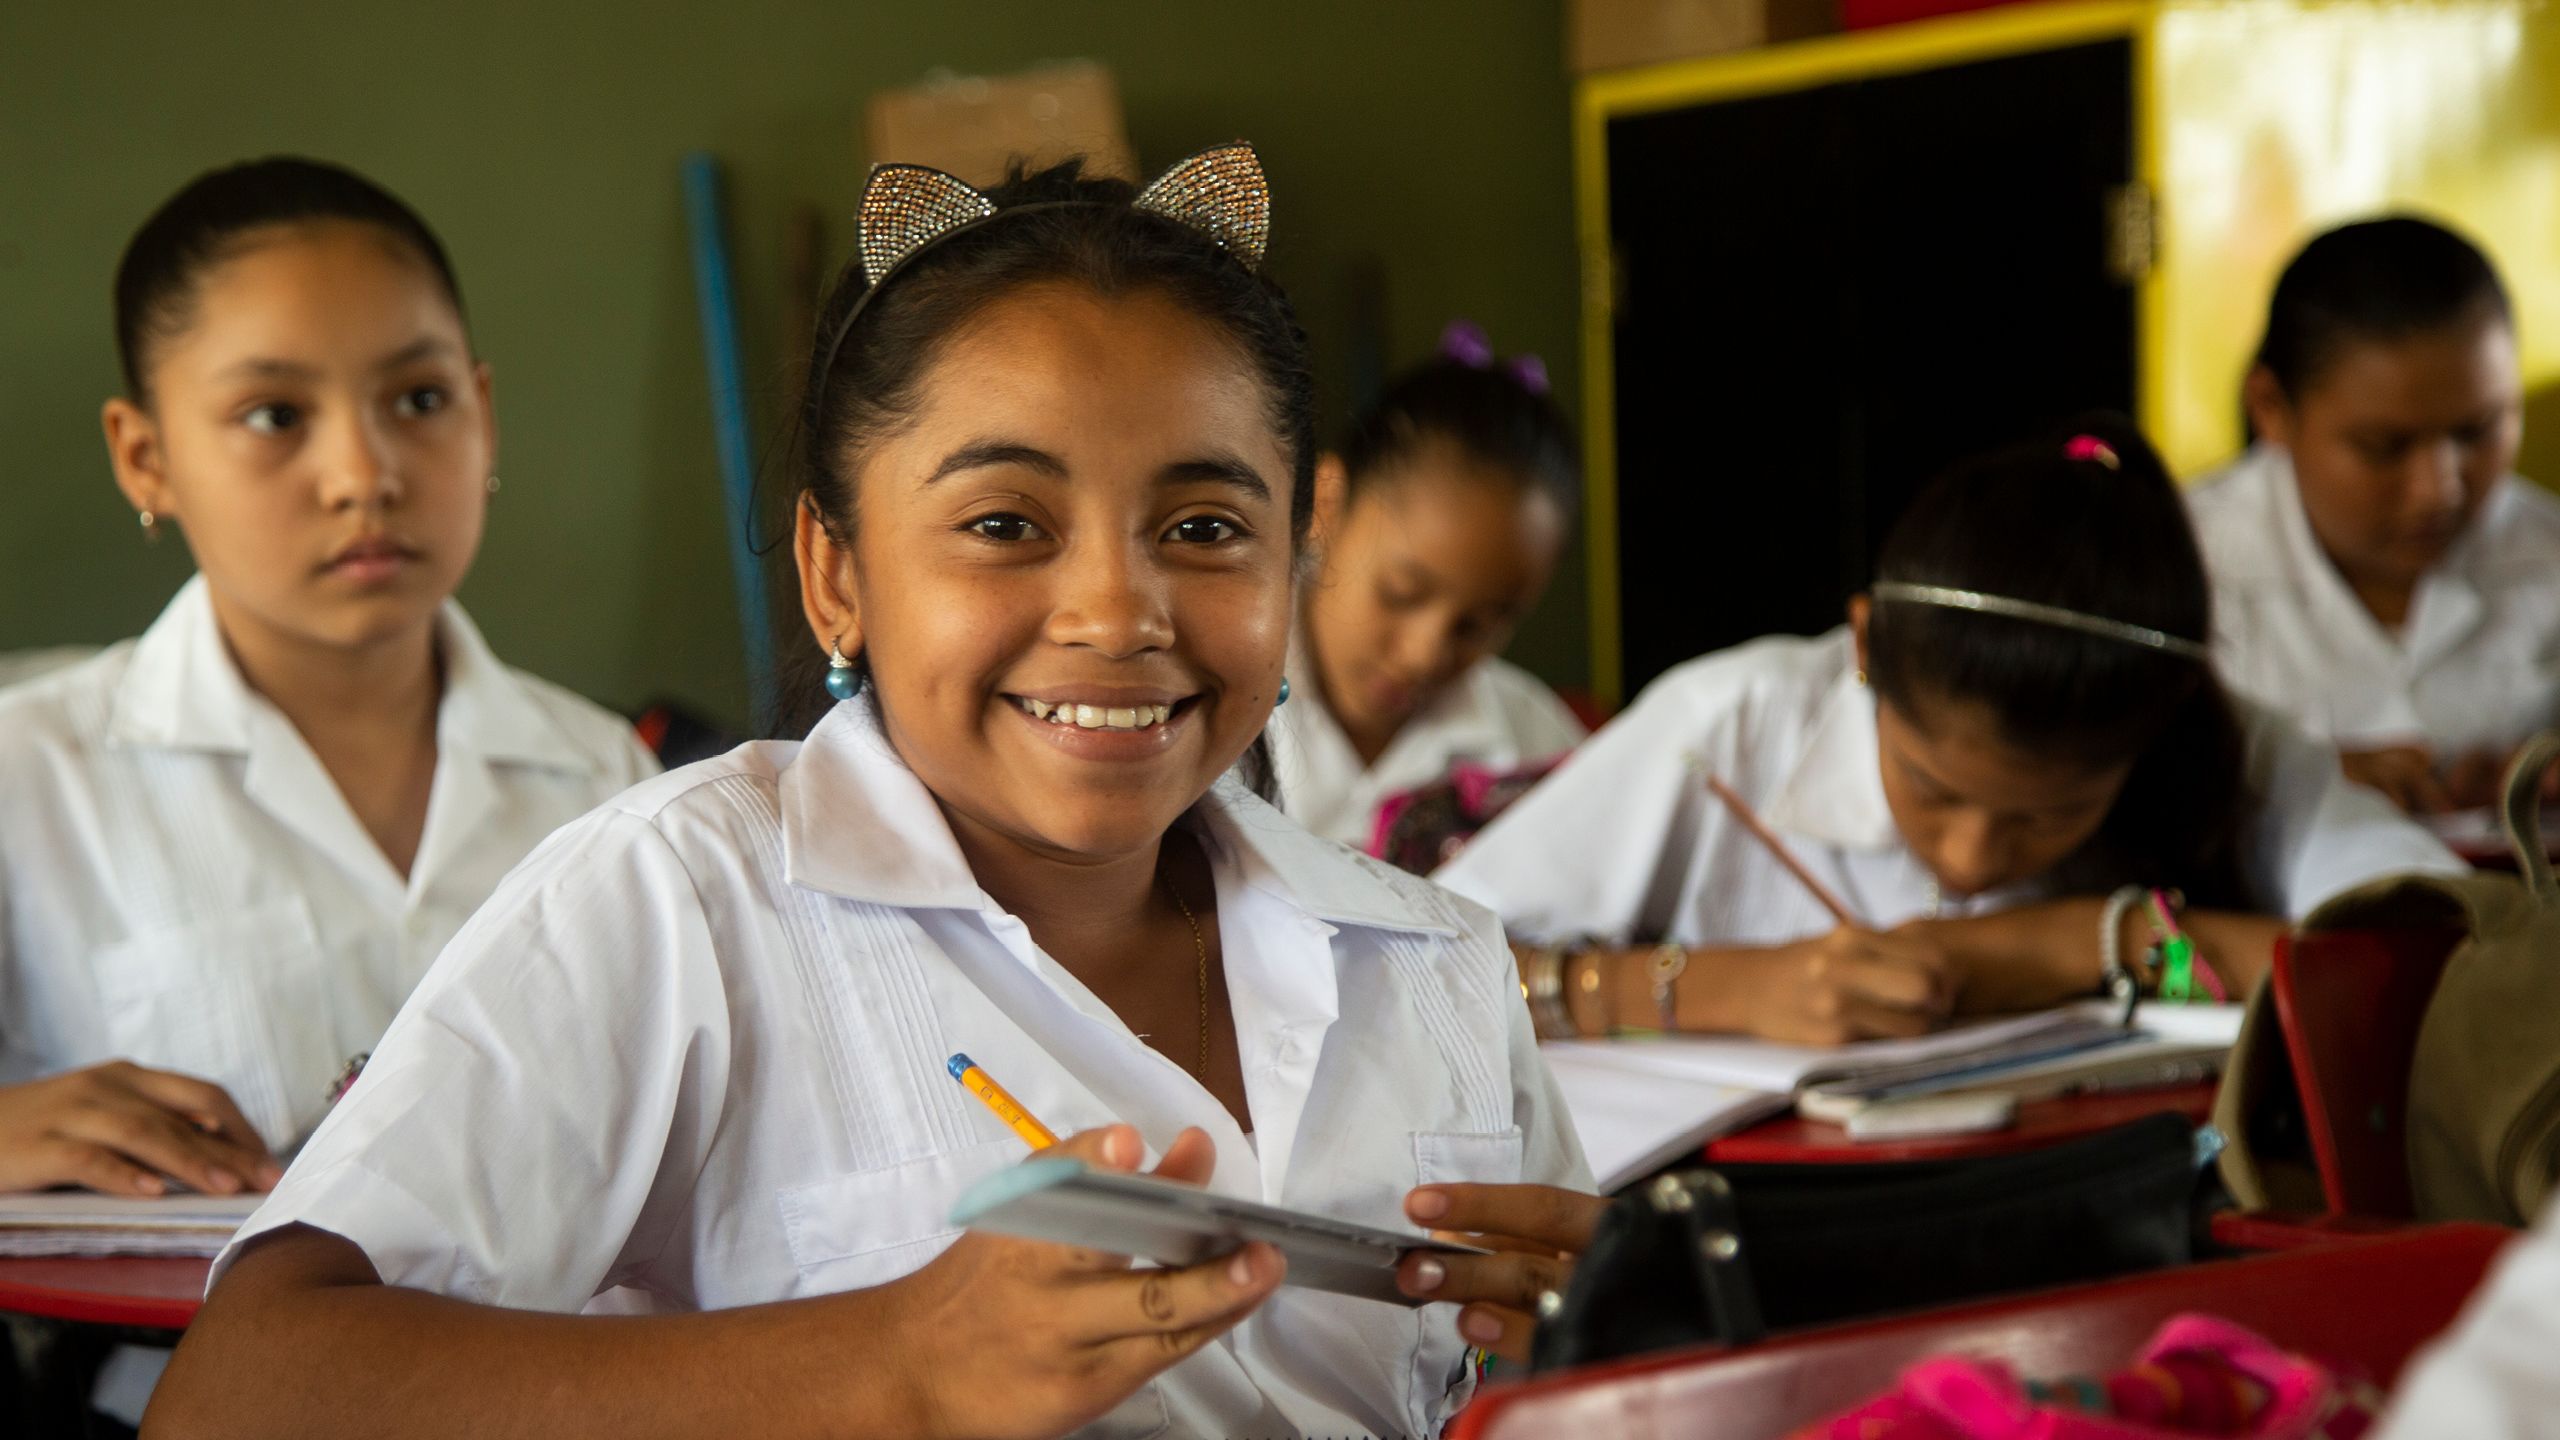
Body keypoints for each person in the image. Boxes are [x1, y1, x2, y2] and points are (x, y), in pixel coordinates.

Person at [149, 148, 1598, 1440]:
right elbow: (247, 1387)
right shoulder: (687, 897)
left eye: (1207, 525)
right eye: (1004, 524)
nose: (1117, 608)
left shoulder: (1433, 965)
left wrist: (1589, 1356)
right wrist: (894, 1363)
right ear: (839, 574)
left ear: (1297, 561)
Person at [0, 156, 656, 1201]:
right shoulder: (30, 778)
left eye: (420, 398)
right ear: (145, 457)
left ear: (482, 415)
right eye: (274, 415)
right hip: (187, 1368)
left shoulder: (607, 783)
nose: (364, 474)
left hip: (568, 1366)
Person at [1438, 419, 2462, 1045]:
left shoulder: (2220, 745)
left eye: (2051, 815)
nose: (1972, 856)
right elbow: (1412, 973)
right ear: (1864, 648)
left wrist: (2090, 938)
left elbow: (2455, 963)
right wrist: (1720, 987)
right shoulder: (1731, 723)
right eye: (1929, 785)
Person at [2188, 216, 2559, 814]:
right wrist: (2291, 776)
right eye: (2384, 447)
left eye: (2479, 430)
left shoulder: (2548, 553)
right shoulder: (2183, 565)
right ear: (2271, 408)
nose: (2440, 489)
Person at [1268, 322, 1583, 851]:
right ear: (1326, 504)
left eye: (1480, 625)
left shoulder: (1534, 744)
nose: (1424, 654)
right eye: (1401, 592)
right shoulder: (1219, 693)